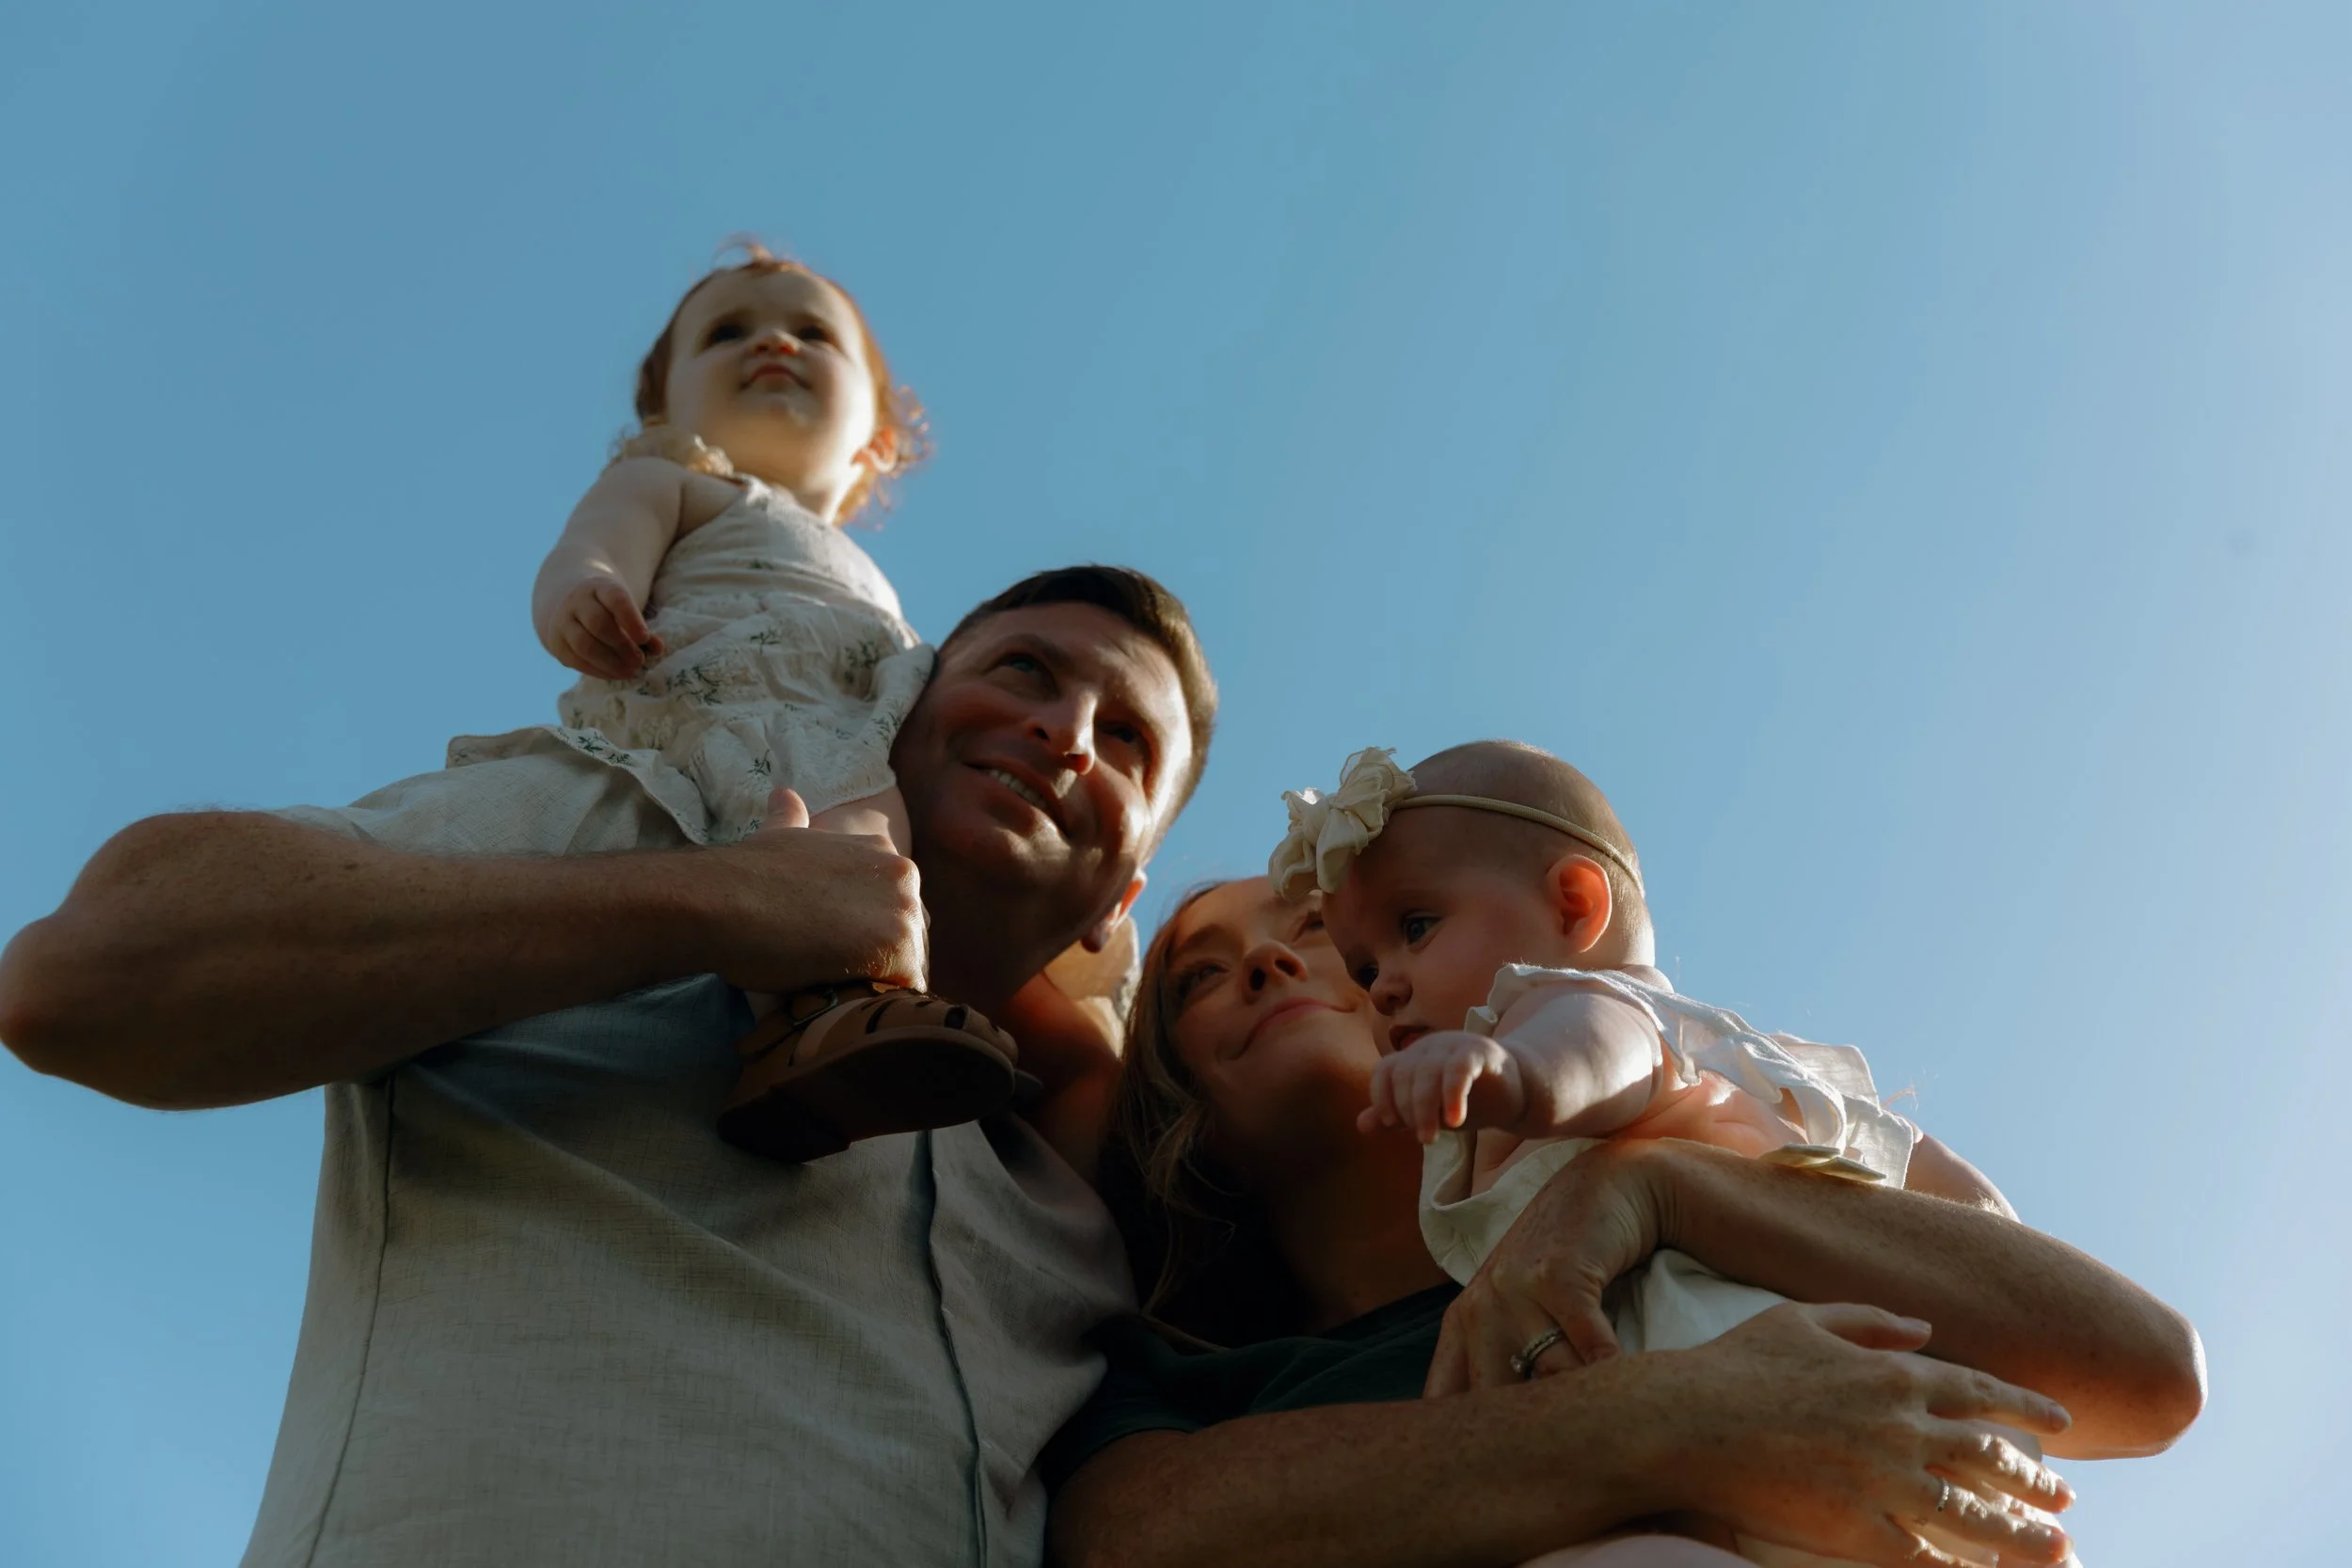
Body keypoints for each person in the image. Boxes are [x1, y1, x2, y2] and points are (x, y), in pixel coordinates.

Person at [0, 562, 1217, 1568]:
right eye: (1025, 671)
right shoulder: (606, 824)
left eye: (1126, 739)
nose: (1063, 733)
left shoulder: (1088, 1213)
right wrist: (710, 904)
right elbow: (86, 975)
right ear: (900, 704)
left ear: (1123, 898)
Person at [1048, 876, 2204, 1567]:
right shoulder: (1194, 1375)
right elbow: (1130, 1542)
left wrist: (1657, 1189)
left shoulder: (1695, 1211)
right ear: (1177, 1113)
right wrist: (1684, 1417)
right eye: (1198, 976)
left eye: (1316, 933)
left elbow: (2145, 1374)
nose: (1262, 961)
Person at [1286, 739, 2057, 1565]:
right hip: (1719, 1426)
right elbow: (1947, 1186)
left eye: (1416, 927)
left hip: (1761, 1371)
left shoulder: (1573, 1007)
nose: (1384, 985)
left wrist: (1512, 1071)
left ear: (1575, 907)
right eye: (1365, 967)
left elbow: (1599, 1053)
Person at [432, 239, 1081, 1159]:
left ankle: (842, 1027)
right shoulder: (672, 484)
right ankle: (820, 1019)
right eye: (728, 331)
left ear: (877, 439)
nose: (771, 343)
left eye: (811, 332)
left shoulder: (870, 577)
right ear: (663, 408)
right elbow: (591, 549)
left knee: (873, 860)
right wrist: (583, 595)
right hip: (718, 708)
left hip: (850, 740)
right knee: (810, 849)